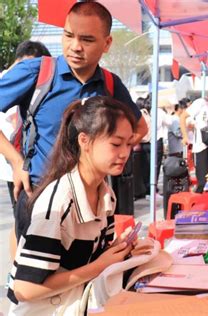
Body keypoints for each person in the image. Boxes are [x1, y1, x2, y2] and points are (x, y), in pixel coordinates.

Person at [0, 2, 148, 240]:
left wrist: (107, 159)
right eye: (69, 35)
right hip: (40, 194)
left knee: (87, 272)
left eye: (87, 40)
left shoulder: (111, 84)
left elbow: (139, 128)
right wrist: (16, 161)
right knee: (35, 275)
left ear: (106, 43)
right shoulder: (37, 72)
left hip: (89, 202)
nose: (75, 47)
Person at [7, 96, 152, 315]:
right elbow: (25, 289)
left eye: (129, 144)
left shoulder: (107, 196)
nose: (125, 153)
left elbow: (92, 258)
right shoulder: (58, 202)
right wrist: (100, 265)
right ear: (84, 140)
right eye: (115, 143)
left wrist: (120, 251)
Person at [0, 41, 51, 207]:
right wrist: (16, 161)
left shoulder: (42, 83)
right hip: (15, 164)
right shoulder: (10, 81)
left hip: (29, 166)